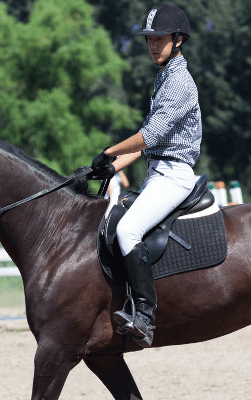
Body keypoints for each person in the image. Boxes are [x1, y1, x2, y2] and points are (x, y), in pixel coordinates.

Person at [89, 4, 201, 348]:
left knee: (128, 229)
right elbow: (147, 145)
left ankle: (145, 317)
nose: (153, 44)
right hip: (158, 171)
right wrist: (108, 168)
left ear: (178, 40)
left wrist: (109, 151)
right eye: (149, 39)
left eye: (160, 38)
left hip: (175, 175)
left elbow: (149, 136)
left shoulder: (180, 81)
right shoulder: (164, 77)